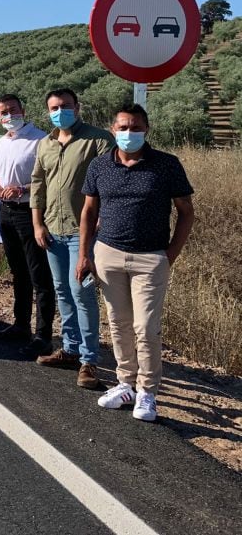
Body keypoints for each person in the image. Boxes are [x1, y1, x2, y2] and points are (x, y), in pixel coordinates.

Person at [79, 104, 195, 422]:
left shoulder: (167, 165)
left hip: (150, 257)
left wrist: (170, 254)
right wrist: (85, 255)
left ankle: (147, 392)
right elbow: (89, 211)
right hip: (108, 254)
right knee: (118, 324)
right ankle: (125, 384)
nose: (129, 133)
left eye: (136, 127)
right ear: (113, 129)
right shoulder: (100, 166)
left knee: (146, 328)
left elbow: (186, 211)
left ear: (147, 130)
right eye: (123, 127)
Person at [30, 88, 114, 389]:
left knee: (82, 293)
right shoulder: (45, 143)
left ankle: (89, 361)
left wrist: (99, 226)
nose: (60, 111)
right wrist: (37, 224)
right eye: (54, 107)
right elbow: (37, 183)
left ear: (77, 108)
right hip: (52, 229)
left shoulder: (98, 140)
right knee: (62, 290)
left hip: (84, 233)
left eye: (65, 106)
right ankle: (70, 348)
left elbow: (109, 182)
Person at [0, 94, 55, 348]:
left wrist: (22, 189)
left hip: (31, 213)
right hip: (5, 212)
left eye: (12, 110)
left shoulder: (41, 140)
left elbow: (49, 179)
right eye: (3, 113)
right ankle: (21, 325)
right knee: (18, 271)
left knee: (40, 275)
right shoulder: (0, 143)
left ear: (23, 110)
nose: (8, 116)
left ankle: (43, 336)